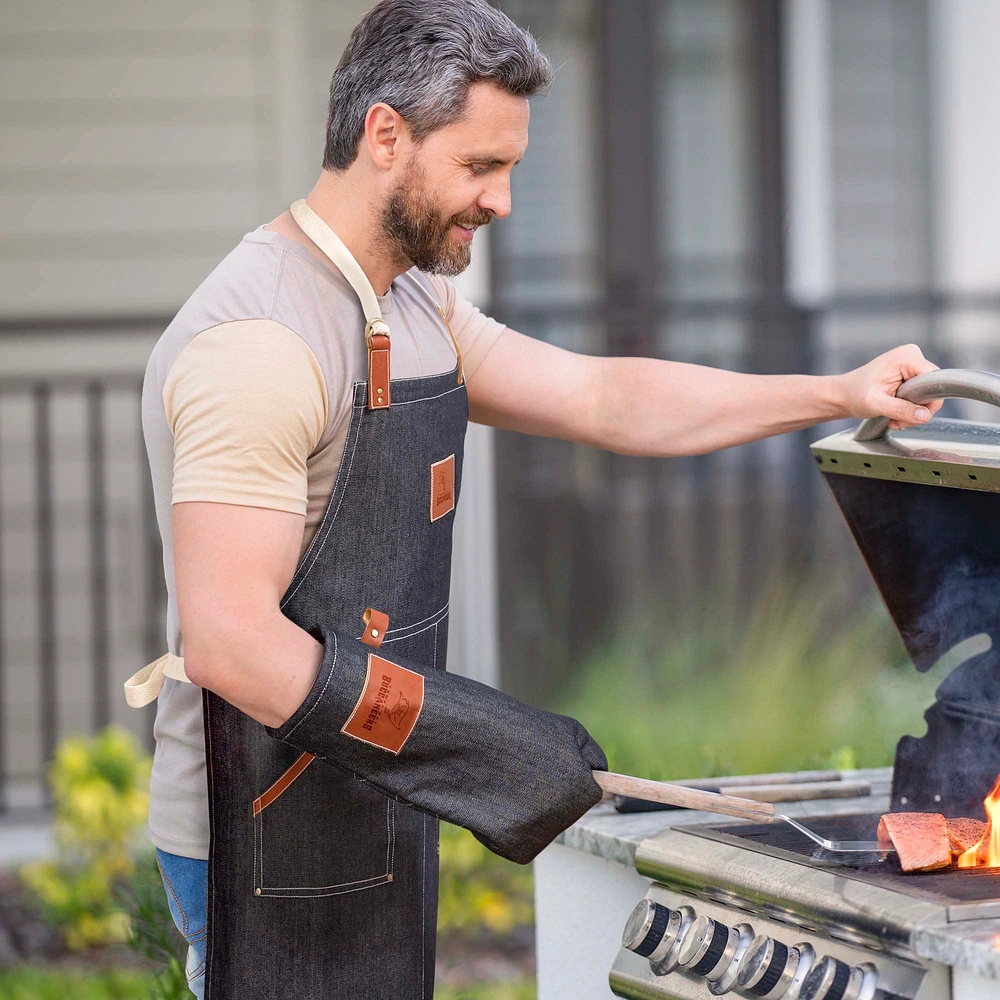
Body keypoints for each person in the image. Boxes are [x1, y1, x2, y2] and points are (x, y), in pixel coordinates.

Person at [128, 1, 941, 997]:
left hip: (372, 790)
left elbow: (605, 397)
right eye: (480, 167)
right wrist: (476, 741)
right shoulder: (259, 343)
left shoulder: (412, 302)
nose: (503, 201)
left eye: (511, 168)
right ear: (387, 135)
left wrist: (832, 393)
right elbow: (229, 642)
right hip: (256, 825)